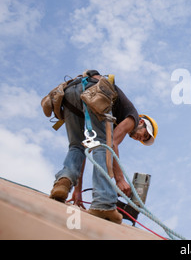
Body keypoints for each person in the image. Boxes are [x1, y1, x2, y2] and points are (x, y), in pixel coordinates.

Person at [49, 70, 158, 224]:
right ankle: (104, 203)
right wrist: (120, 179)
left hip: (70, 94)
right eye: (145, 134)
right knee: (103, 144)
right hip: (93, 91)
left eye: (143, 139)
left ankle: (63, 181)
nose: (141, 138)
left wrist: (78, 191)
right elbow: (111, 144)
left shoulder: (111, 122)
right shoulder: (133, 117)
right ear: (141, 122)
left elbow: (86, 148)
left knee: (76, 146)